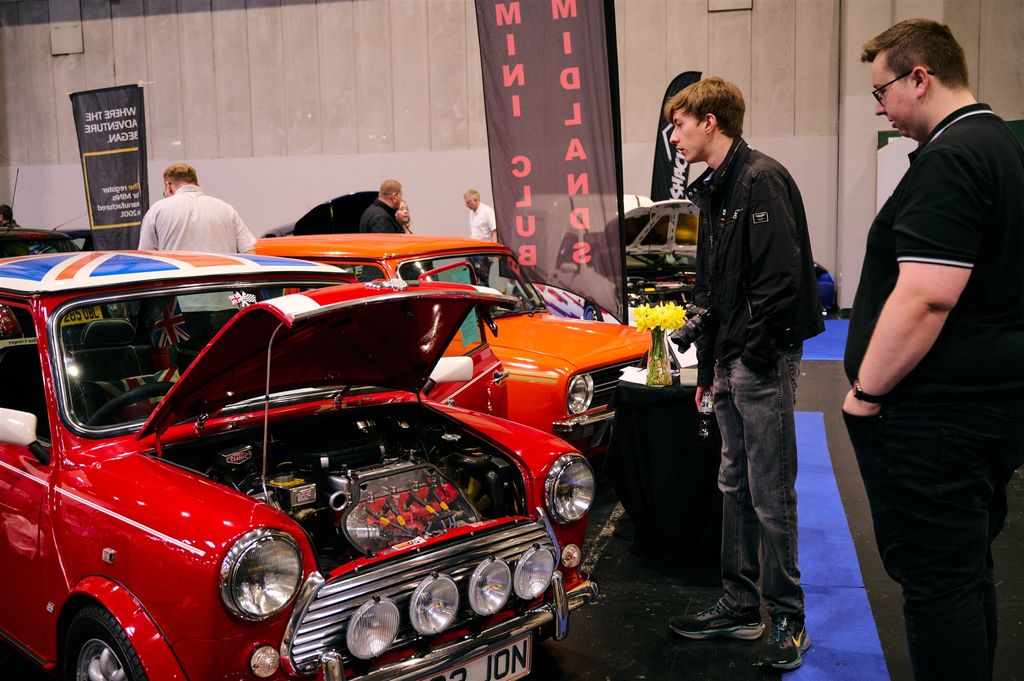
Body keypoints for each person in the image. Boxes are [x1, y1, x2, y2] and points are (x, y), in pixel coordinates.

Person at [843, 19, 1024, 681]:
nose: (880, 107)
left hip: (940, 421)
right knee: (963, 574)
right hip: (984, 407)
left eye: (882, 90)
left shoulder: (953, 156)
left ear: (919, 77)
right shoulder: (996, 143)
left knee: (938, 585)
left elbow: (926, 297)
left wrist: (865, 394)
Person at [663, 77, 823, 671]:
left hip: (759, 360)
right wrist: (709, 369)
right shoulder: (716, 190)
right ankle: (740, 604)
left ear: (710, 122)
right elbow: (710, 291)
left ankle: (787, 616)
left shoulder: (760, 179)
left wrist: (752, 357)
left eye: (679, 124)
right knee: (734, 484)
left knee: (770, 489)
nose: (674, 136)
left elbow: (781, 282)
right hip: (731, 360)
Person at [138, 163, 255, 253]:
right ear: (197, 183)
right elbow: (249, 251)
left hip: (179, 277)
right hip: (222, 277)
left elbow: (146, 256)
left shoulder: (157, 210)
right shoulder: (226, 209)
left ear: (168, 186)